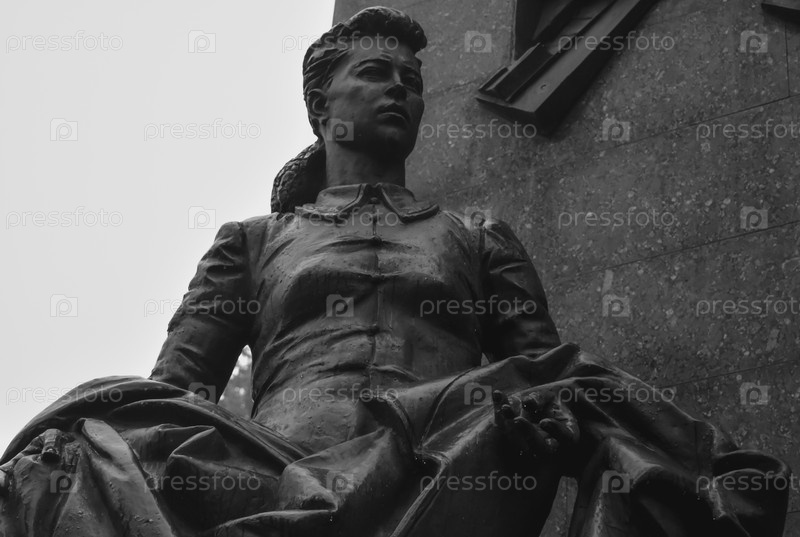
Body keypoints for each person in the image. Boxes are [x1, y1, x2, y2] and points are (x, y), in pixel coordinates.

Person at [0, 7, 790, 537]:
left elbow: (542, 366)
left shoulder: (476, 235)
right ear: (322, 106)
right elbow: (178, 388)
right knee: (80, 440)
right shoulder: (253, 240)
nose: (400, 91)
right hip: (280, 465)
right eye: (376, 74)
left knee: (607, 414)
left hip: (449, 455)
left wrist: (542, 419)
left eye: (411, 82)